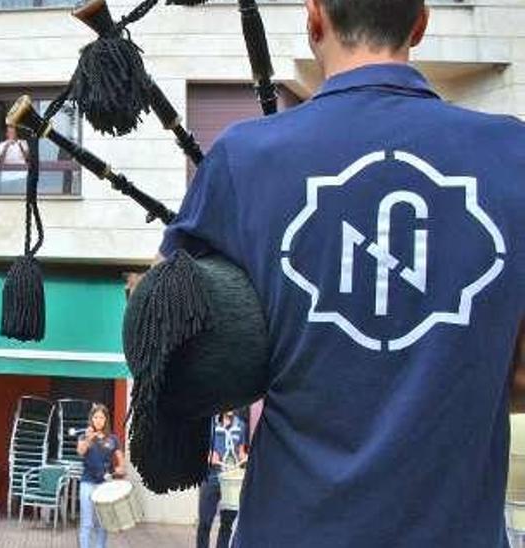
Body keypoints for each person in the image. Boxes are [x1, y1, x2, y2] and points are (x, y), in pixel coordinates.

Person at [156, 1, 525, 545]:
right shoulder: (513, 154)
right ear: (420, 23)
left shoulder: (245, 156)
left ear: (314, 19)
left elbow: (163, 333)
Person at [195, 411, 247, 548]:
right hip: (211, 478)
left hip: (230, 480)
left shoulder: (240, 426)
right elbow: (199, 449)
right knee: (205, 522)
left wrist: (244, 457)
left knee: (227, 524)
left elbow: (240, 451)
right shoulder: (210, 424)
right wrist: (209, 456)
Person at [77, 404, 124, 548]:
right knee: (87, 523)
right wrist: (88, 439)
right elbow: (80, 451)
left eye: (101, 417)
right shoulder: (84, 436)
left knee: (102, 523)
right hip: (87, 483)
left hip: (104, 485)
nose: (98, 420)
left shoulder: (113, 439)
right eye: (95, 417)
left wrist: (120, 468)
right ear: (91, 419)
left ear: (106, 420)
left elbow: (121, 461)